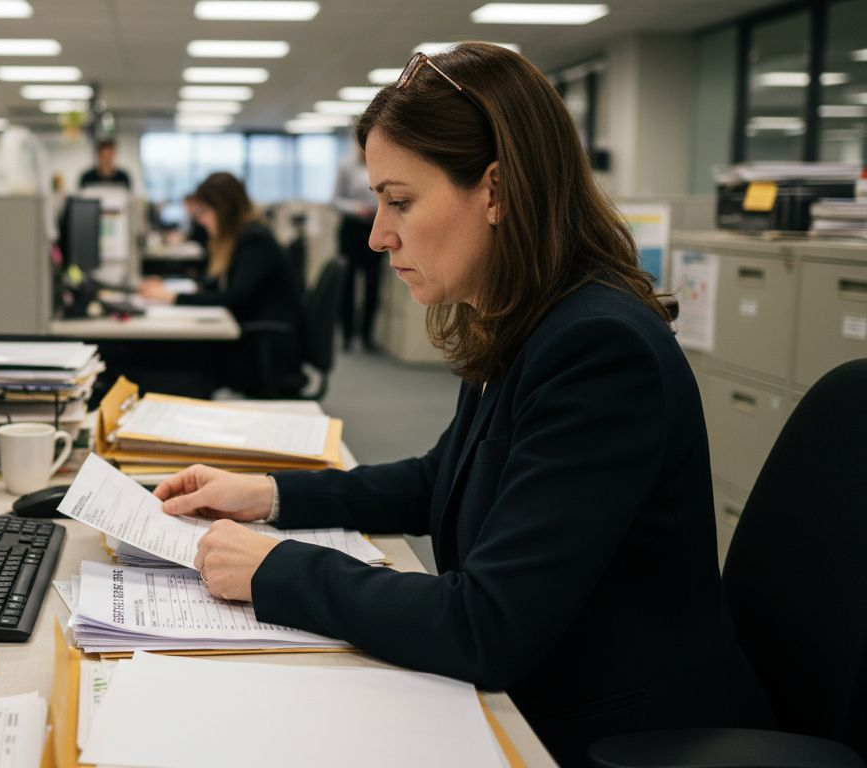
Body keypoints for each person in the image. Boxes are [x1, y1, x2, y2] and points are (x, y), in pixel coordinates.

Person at [152, 43, 772, 768]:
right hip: (536, 693)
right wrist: (267, 494)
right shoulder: (529, 316)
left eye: (400, 201)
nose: (380, 235)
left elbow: (485, 626)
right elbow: (436, 480)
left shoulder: (599, 350)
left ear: (497, 189)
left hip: (605, 731)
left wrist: (273, 570)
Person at [137, 172, 304, 396]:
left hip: (262, 348)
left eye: (204, 212)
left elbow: (232, 297)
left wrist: (172, 297)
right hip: (248, 338)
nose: (200, 220)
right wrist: (170, 288)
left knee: (172, 359)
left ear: (225, 210)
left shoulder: (255, 240)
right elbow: (216, 285)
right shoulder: (242, 237)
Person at [333, 146, 381, 351]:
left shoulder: (382, 161)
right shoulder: (346, 165)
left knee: (373, 283)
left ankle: (367, 336)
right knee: (348, 283)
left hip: (375, 224)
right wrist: (356, 208)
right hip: (352, 228)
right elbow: (335, 200)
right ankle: (346, 335)